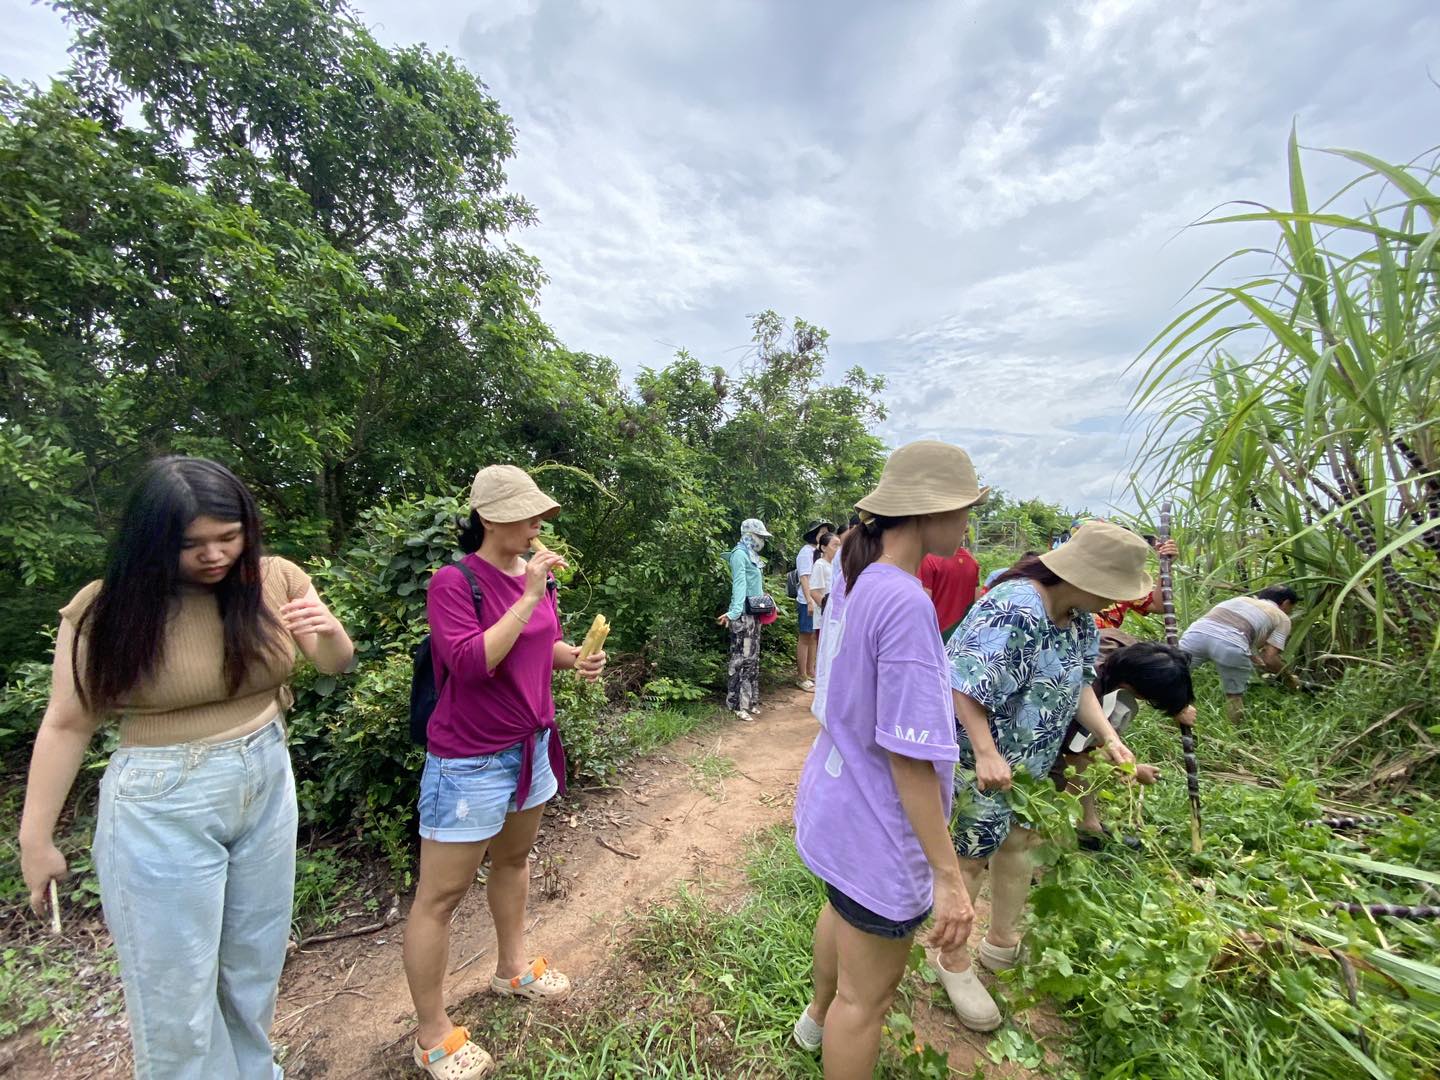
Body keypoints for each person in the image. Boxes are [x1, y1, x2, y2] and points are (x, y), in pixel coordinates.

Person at [18, 456, 354, 1079]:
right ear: (151, 543)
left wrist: (329, 631)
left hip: (266, 779)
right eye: (191, 544)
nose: (215, 555)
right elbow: (68, 722)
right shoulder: (105, 610)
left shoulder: (273, 579)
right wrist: (35, 838)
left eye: (229, 537)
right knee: (175, 991)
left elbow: (333, 662)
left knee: (252, 967)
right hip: (160, 802)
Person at [403, 465, 606, 1080]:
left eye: (540, 514)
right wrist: (524, 598)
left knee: (514, 862)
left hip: (531, 749)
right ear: (489, 519)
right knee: (438, 898)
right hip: (469, 761)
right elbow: (469, 665)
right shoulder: (453, 582)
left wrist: (577, 659)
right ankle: (433, 1034)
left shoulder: (533, 575)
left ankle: (512, 969)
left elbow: (540, 647)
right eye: (526, 516)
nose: (538, 525)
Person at [792, 441, 987, 1079]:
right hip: (879, 822)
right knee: (866, 1001)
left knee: (839, 910)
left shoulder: (858, 572)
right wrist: (949, 876)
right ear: (932, 512)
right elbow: (909, 756)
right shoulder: (904, 601)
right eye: (963, 509)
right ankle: (832, 1019)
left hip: (839, 804)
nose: (966, 525)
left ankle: (813, 1022)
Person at [937, 521, 1149, 1031]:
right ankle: (950, 959)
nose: (1113, 602)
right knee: (970, 855)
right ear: (1087, 579)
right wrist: (987, 752)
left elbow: (1080, 686)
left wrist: (1111, 740)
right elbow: (961, 683)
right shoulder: (1014, 607)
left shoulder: (1075, 621)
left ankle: (1002, 940)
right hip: (980, 761)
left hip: (1029, 763)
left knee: (1022, 841)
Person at [1052, 636, 1195, 848]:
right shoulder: (1088, 691)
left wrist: (1178, 705)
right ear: (1136, 689)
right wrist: (1131, 769)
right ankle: (1010, 846)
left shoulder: (1122, 648)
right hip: (1029, 728)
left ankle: (1087, 826)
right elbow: (1076, 751)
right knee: (1051, 780)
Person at [1178, 586, 1299, 722]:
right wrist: (1289, 679)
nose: (1289, 612)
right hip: (1231, 644)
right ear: (1286, 603)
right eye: (1291, 608)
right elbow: (1270, 658)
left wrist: (1255, 660)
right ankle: (1233, 736)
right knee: (1234, 697)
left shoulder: (1240, 600)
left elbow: (1237, 634)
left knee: (1172, 677)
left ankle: (1178, 727)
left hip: (1195, 634)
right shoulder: (1281, 617)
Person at [718, 518, 771, 720]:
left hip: (755, 614)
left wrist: (765, 600)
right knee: (742, 659)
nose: (761, 540)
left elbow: (754, 586)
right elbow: (739, 585)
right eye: (759, 536)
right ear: (749, 535)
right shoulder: (739, 555)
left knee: (753, 659)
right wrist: (733, 613)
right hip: (743, 615)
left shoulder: (752, 556)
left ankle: (750, 702)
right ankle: (738, 704)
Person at [1093, 535, 1180, 629]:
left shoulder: (1123, 582)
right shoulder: (1076, 581)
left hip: (1106, 642)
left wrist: (1165, 564)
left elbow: (1158, 605)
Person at [919, 536, 984, 642]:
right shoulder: (972, 561)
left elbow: (922, 604)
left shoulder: (929, 559)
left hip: (935, 634)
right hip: (961, 635)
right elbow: (977, 602)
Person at [796, 519, 835, 691]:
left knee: (813, 637)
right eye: (821, 532)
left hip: (817, 601)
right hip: (807, 600)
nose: (824, 535)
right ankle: (801, 676)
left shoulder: (817, 553)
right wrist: (809, 600)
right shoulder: (805, 552)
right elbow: (805, 577)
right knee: (805, 636)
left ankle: (811, 672)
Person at [808, 532, 840, 616]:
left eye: (839, 546)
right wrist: (827, 609)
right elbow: (814, 591)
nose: (838, 549)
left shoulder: (835, 565)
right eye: (835, 545)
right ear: (824, 548)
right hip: (824, 617)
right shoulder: (820, 565)